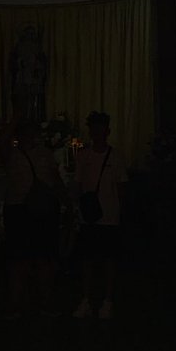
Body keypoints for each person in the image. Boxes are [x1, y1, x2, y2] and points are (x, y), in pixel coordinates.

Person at [1, 120, 64, 318]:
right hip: (23, 209)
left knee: (38, 257)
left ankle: (36, 301)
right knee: (22, 258)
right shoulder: (15, 154)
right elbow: (55, 180)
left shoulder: (42, 154)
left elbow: (55, 178)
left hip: (35, 209)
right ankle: (24, 301)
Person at [73, 111, 128, 320]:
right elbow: (78, 184)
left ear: (107, 131)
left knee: (108, 259)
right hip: (89, 216)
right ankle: (87, 299)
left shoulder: (116, 157)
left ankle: (107, 300)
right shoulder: (83, 156)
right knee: (87, 259)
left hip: (109, 215)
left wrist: (121, 212)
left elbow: (121, 187)